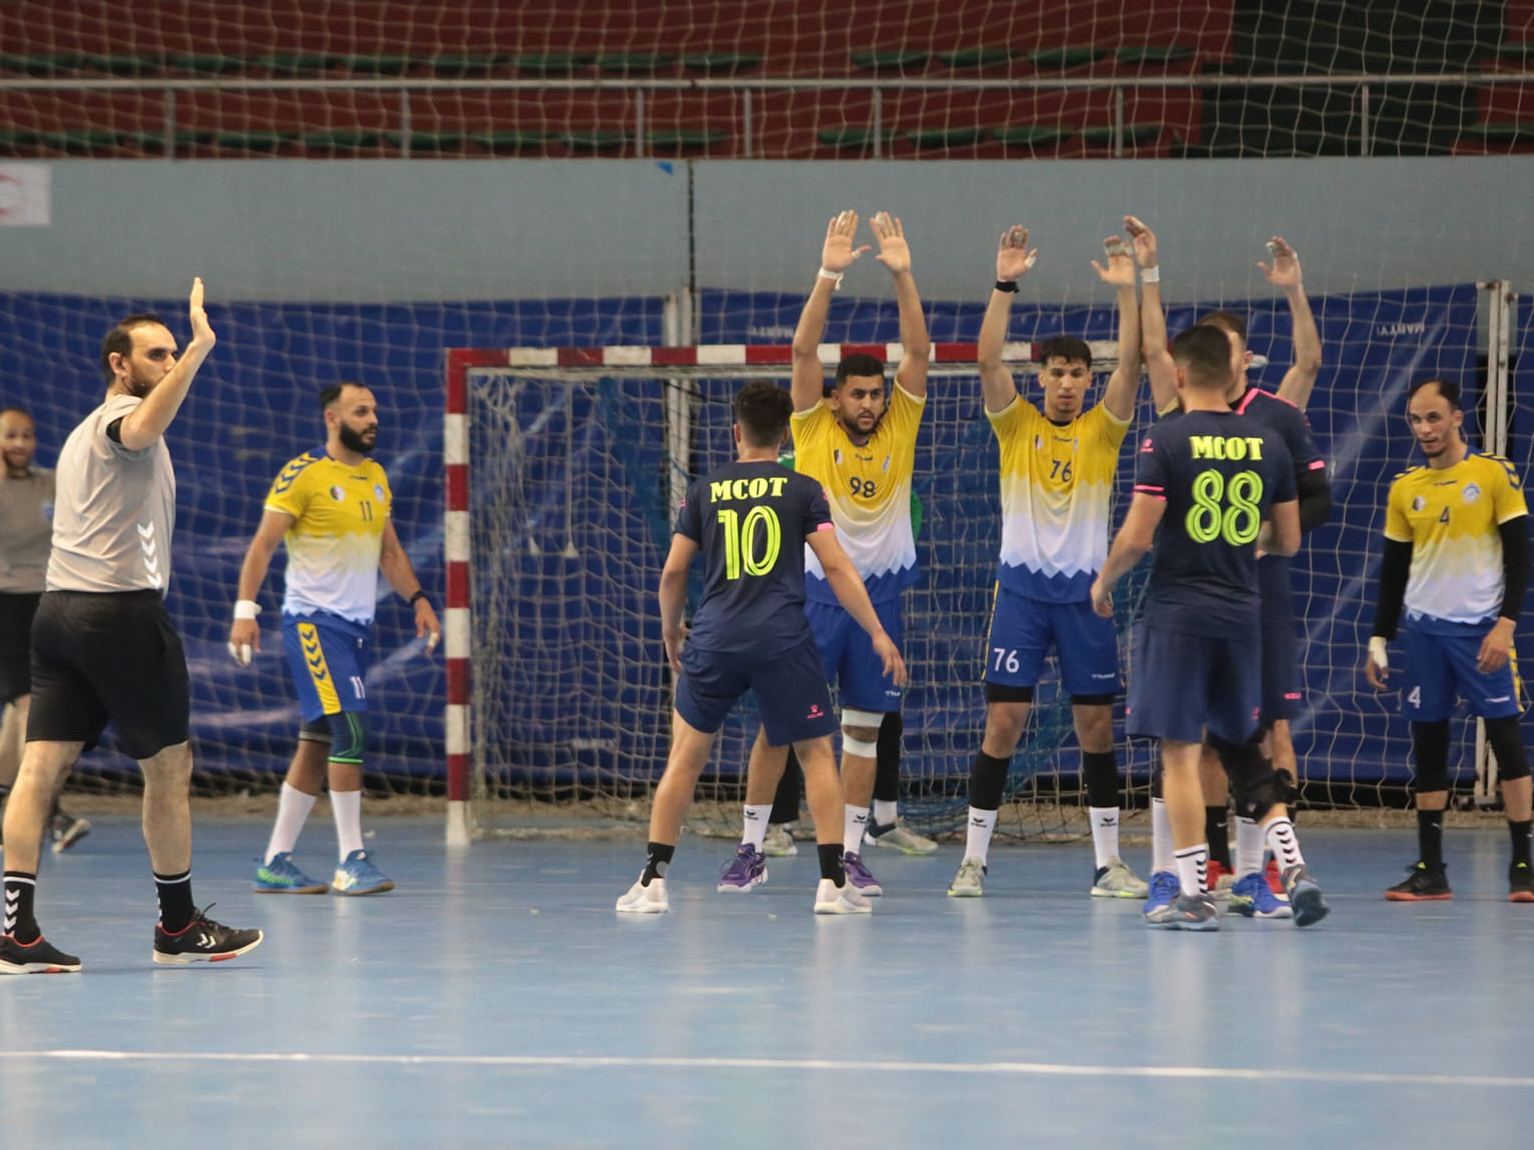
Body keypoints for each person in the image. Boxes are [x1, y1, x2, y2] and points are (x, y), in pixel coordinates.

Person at [1, 282, 262, 973]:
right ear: (121, 364)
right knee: (169, 768)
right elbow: (144, 427)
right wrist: (203, 349)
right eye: (158, 354)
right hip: (118, 617)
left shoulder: (87, 432)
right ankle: (176, 926)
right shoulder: (123, 422)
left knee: (38, 768)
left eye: (174, 351)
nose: (170, 361)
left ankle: (14, 933)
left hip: (56, 615)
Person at [616, 381, 907, 914]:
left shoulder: (702, 491)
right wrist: (876, 631)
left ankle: (651, 883)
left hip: (714, 635)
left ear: (736, 433)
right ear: (786, 434)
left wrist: (668, 629)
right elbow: (838, 566)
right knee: (817, 753)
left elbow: (674, 571)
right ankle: (831, 886)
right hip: (781, 639)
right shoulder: (803, 489)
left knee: (684, 758)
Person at [1091, 324, 1328, 931]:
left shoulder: (1164, 439)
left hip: (1178, 614)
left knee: (1181, 753)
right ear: (1233, 372)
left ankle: (1194, 893)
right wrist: (1239, 542)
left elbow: (1139, 536)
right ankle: (1293, 865)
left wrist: (1104, 582)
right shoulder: (1269, 442)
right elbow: (1290, 539)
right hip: (1242, 614)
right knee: (1243, 747)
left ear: (1179, 374)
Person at [724, 210, 929, 898]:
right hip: (812, 595)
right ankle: (752, 844)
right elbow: (804, 353)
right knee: (782, 727)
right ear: (837, 397)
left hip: (883, 595)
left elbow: (920, 356)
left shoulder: (901, 421)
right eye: (859, 394)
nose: (870, 403)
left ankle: (850, 851)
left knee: (864, 735)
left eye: (877, 394)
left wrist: (903, 273)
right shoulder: (811, 424)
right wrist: (830, 272)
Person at [947, 225, 1148, 899]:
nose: (1066, 383)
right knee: (1003, 724)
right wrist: (1004, 284)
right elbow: (984, 362)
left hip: (1087, 600)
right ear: (1042, 378)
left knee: (1095, 729)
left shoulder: (1105, 426)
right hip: (1022, 599)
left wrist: (1129, 290)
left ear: (1089, 380)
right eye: (1056, 373)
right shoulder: (1016, 423)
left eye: (1076, 373)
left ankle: (1108, 864)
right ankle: (973, 861)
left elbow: (1136, 363)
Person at [230, 382, 440, 896]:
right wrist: (245, 610)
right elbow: (262, 545)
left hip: (353, 629)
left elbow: (389, 552)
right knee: (350, 729)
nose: (373, 419)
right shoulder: (303, 475)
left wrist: (419, 600)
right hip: (313, 624)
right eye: (361, 411)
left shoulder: (375, 477)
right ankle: (352, 859)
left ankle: (276, 862)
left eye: (374, 411)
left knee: (318, 741)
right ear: (332, 418)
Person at [1366, 378, 1533, 902]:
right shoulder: (1404, 487)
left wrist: (1506, 624)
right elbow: (1393, 572)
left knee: (1506, 744)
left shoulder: (1492, 474)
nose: (1424, 429)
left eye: (1434, 417)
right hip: (1423, 636)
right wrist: (1379, 637)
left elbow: (1521, 555)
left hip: (1481, 634)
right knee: (1429, 750)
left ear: (1458, 417)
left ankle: (1524, 866)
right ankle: (1431, 870)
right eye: (1415, 419)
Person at [0, 407, 90, 856]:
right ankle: (47, 813)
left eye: (27, 435)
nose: (19, 443)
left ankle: (10, 805)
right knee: (29, 704)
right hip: (4, 603)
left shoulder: (49, 482)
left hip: (48, 599)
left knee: (20, 712)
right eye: (10, 435)